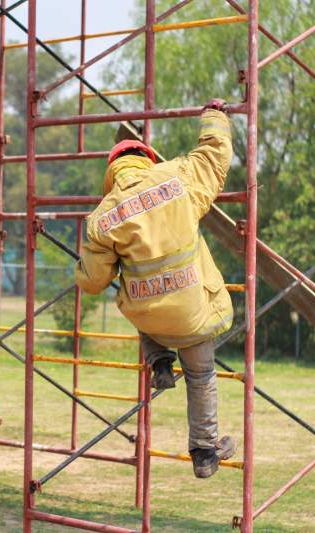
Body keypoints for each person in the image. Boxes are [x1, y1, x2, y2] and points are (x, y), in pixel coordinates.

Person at [74, 99, 236, 478]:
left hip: (150, 321)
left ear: (112, 172)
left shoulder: (102, 218)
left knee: (136, 295)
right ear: (146, 159)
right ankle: (205, 452)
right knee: (202, 376)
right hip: (191, 311)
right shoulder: (177, 178)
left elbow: (94, 282)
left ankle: (159, 361)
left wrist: (82, 266)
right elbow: (214, 155)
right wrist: (214, 115)